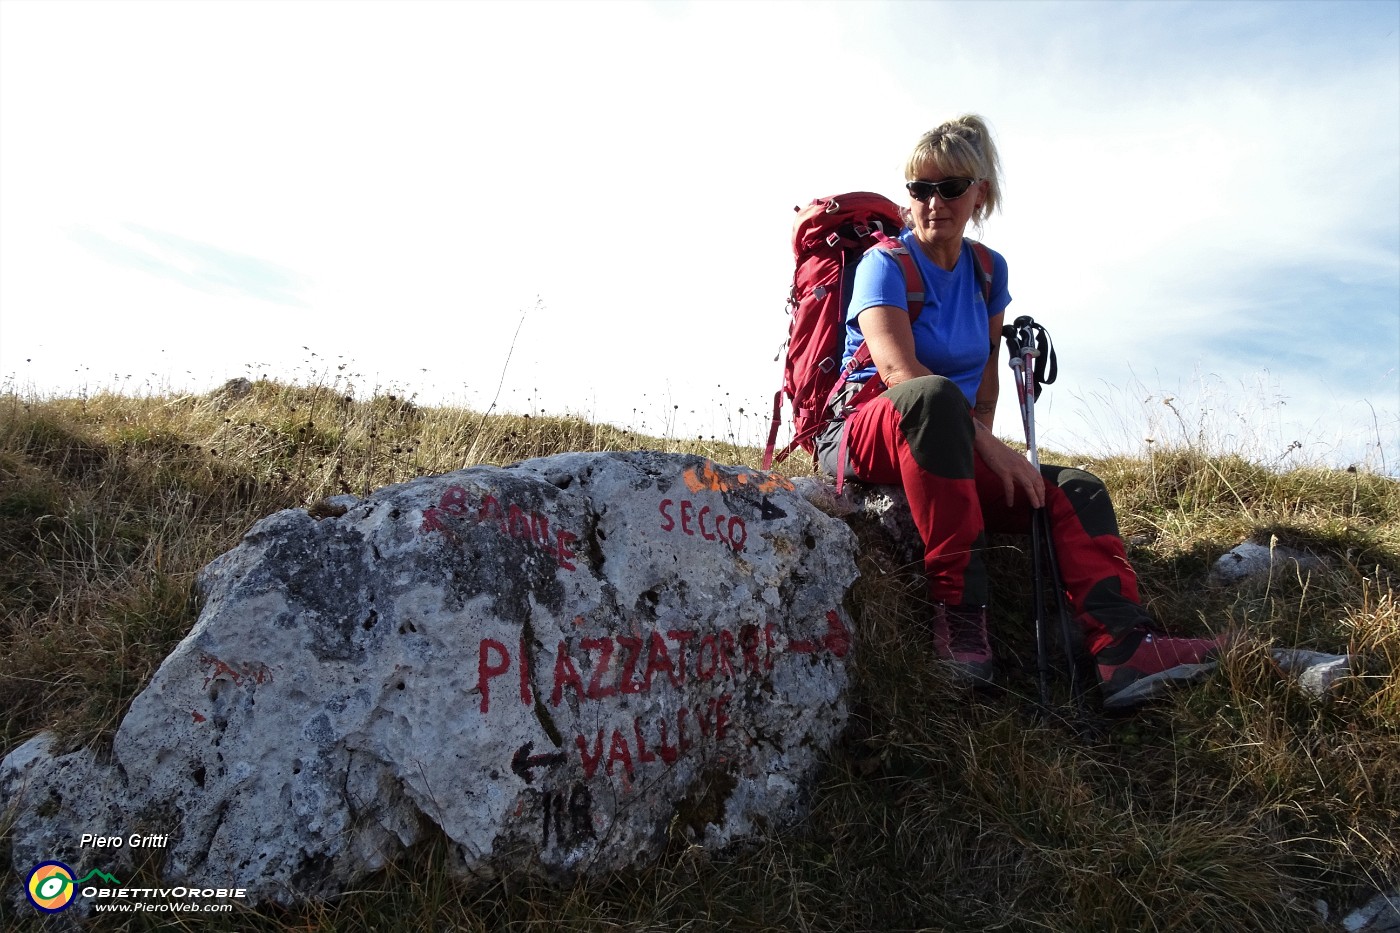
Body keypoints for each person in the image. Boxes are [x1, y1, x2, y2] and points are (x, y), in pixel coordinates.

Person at [813, 114, 1220, 709]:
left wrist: (985, 448)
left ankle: (1124, 647)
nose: (932, 202)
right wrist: (989, 450)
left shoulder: (986, 271)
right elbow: (901, 373)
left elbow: (981, 394)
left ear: (981, 191)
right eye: (919, 189)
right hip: (865, 433)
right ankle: (960, 616)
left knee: (1074, 490)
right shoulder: (885, 264)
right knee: (931, 398)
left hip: (941, 438)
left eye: (949, 187)